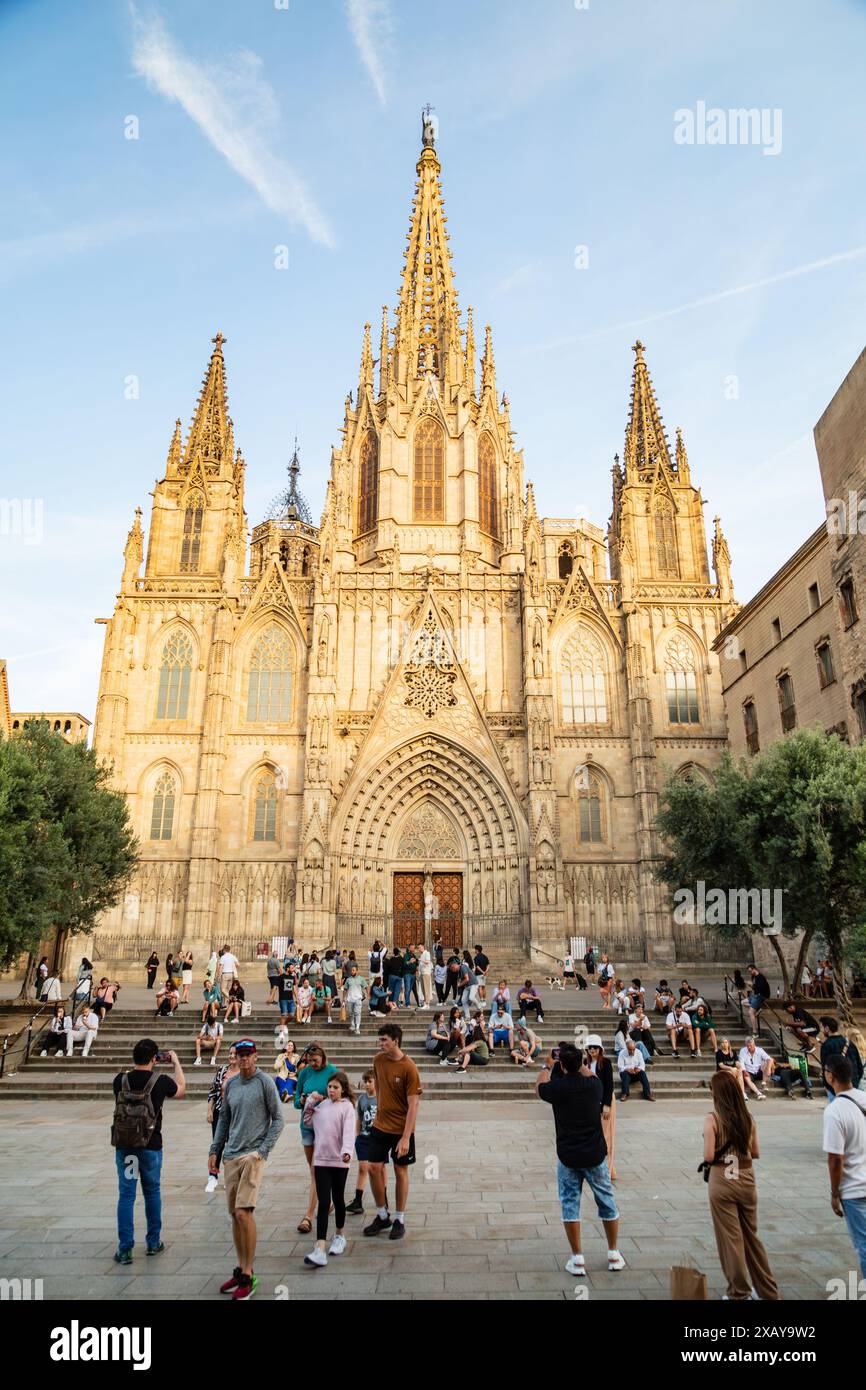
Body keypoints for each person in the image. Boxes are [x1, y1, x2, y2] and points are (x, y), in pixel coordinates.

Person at [536, 1040, 624, 1276]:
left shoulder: (557, 1089)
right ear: (582, 1063)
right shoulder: (593, 1086)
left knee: (570, 1204)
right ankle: (614, 1253)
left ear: (562, 1066)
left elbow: (539, 1087)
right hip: (595, 1154)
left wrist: (547, 1065)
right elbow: (588, 1073)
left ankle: (577, 1258)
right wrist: (578, 1062)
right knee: (606, 1199)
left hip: (568, 1156)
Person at [209, 1039, 283, 1300]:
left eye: (247, 1055)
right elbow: (224, 1119)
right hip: (231, 1155)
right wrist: (214, 1151)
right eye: (239, 1055)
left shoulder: (264, 1082)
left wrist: (262, 1151)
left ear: (256, 1056)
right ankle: (241, 1268)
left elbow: (279, 1118)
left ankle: (249, 1274)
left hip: (252, 1155)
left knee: (243, 1213)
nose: (243, 1059)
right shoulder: (231, 1085)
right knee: (234, 1214)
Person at [701, 1069, 779, 1300]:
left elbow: (707, 1156)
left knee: (730, 1239)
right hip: (745, 1177)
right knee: (752, 1238)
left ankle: (739, 1291)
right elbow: (755, 1152)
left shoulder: (712, 1119)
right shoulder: (749, 1118)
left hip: (723, 1179)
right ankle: (767, 1291)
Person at [111, 1038, 185, 1263]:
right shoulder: (160, 1081)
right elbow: (181, 1090)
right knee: (152, 1192)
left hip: (126, 1147)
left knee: (126, 1195)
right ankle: (153, 1242)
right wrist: (176, 1063)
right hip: (151, 1146)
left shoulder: (120, 1080)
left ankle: (125, 1248)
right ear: (155, 1058)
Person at [363, 1023, 422, 1241]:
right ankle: (382, 1214)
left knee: (400, 1171)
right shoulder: (378, 1060)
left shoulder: (409, 1067)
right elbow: (378, 1086)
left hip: (401, 1129)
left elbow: (414, 1105)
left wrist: (406, 1137)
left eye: (384, 1040)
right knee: (373, 1168)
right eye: (380, 1040)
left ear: (395, 1040)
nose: (381, 1044)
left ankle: (399, 1218)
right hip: (380, 1125)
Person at [302, 1071, 357, 1266]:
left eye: (335, 1087)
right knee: (324, 1203)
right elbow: (307, 1121)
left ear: (343, 1089)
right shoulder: (322, 1106)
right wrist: (310, 1102)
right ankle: (319, 1248)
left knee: (338, 1198)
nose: (331, 1090)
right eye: (330, 1087)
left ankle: (340, 1235)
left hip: (340, 1161)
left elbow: (349, 1132)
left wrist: (347, 1151)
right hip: (321, 1161)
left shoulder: (347, 1108)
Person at [822, 1054, 866, 1277]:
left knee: (864, 1247)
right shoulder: (864, 1098)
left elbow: (835, 1158)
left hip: (855, 1188)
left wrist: (834, 1192)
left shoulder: (834, 1111)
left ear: (830, 1076)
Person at [293, 1044, 339, 1235]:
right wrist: (303, 1100)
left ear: (323, 1056)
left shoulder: (332, 1071)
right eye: (310, 1061)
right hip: (307, 1126)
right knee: (313, 1170)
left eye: (315, 1060)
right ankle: (325, 1200)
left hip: (324, 1126)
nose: (313, 1063)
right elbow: (296, 1101)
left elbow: (338, 1096)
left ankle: (309, 1216)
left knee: (315, 1170)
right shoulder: (304, 1073)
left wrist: (323, 1098)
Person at [346, 1069, 382, 1216]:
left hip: (378, 1139)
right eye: (365, 1081)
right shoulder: (362, 1099)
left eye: (370, 1081)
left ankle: (382, 1198)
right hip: (364, 1138)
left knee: (380, 1170)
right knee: (362, 1168)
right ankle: (358, 1201)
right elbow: (359, 1118)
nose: (367, 1084)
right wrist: (356, 1135)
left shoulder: (380, 1098)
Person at [206, 1044, 240, 1192]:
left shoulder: (244, 1074)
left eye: (234, 1054)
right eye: (230, 1053)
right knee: (217, 1145)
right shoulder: (222, 1071)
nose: (231, 1056)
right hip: (220, 1113)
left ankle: (231, 1178)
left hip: (237, 1115)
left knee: (233, 1147)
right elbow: (213, 1092)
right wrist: (209, 1111)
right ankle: (212, 1177)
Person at [585, 1035, 616, 1181]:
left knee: (606, 1135)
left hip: (605, 1101)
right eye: (590, 1047)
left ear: (600, 1049)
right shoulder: (585, 1063)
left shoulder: (606, 1063)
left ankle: (608, 1170)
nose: (592, 1050)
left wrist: (607, 1105)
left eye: (595, 1047)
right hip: (591, 1103)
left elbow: (609, 1085)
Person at [342, 963, 368, 1035]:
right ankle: (352, 1025)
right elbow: (345, 989)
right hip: (350, 999)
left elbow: (366, 986)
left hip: (358, 999)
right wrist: (344, 998)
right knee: (350, 1013)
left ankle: (357, 1028)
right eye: (351, 970)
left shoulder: (361, 979)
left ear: (357, 971)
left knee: (357, 1013)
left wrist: (368, 995)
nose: (352, 971)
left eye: (353, 970)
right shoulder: (348, 980)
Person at [746, 965, 771, 1032]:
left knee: (750, 1012)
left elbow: (760, 989)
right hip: (756, 995)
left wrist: (752, 985)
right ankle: (757, 1008)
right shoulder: (753, 977)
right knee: (743, 1002)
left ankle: (754, 1030)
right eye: (749, 971)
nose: (750, 972)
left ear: (754, 969)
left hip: (762, 995)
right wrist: (751, 986)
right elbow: (755, 989)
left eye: (750, 971)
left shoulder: (760, 977)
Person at [418, 943, 434, 1007]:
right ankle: (425, 1002)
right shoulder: (421, 955)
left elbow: (428, 961)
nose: (419, 949)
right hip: (422, 973)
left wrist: (421, 960)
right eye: (418, 948)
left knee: (426, 988)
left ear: (423, 947)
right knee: (423, 989)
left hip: (426, 973)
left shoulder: (426, 953)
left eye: (420, 947)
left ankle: (427, 1003)